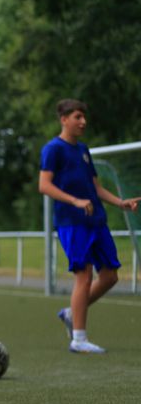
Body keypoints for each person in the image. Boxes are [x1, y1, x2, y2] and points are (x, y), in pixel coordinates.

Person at [38, 99, 139, 354]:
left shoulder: (83, 149)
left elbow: (97, 188)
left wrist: (120, 203)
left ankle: (71, 313)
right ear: (64, 119)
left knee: (110, 276)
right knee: (83, 276)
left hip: (96, 220)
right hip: (72, 223)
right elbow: (44, 185)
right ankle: (79, 339)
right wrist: (75, 201)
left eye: (84, 117)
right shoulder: (53, 149)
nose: (83, 122)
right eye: (77, 117)